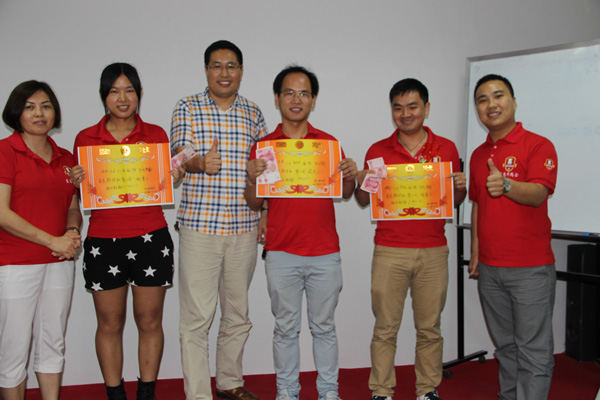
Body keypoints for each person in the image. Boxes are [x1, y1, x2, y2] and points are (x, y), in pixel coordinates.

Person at [70, 63, 184, 400]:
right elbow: (83, 196)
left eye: (129, 90)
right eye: (114, 91)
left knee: (149, 322)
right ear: (104, 96)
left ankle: (146, 392)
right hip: (103, 241)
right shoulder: (85, 139)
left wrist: (172, 177)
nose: (122, 98)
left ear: (139, 94)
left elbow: (163, 182)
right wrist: (77, 182)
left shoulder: (156, 135)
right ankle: (115, 394)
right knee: (109, 324)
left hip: (151, 237)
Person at [245, 65, 358, 400]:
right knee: (285, 329)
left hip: (324, 251)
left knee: (324, 328)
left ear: (313, 100)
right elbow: (254, 203)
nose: (296, 100)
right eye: (289, 93)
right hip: (281, 251)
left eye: (304, 93)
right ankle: (287, 392)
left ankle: (328, 392)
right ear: (277, 99)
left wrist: (350, 175)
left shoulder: (328, 144)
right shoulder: (264, 147)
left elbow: (346, 193)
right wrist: (251, 178)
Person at [354, 79, 467, 400]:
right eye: (398, 108)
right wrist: (362, 181)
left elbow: (454, 201)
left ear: (426, 108)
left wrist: (460, 186)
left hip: (433, 250)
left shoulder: (446, 149)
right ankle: (381, 390)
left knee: (430, 328)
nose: (405, 114)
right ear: (392, 110)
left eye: (413, 106)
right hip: (389, 250)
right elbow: (363, 200)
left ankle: (427, 389)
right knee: (385, 327)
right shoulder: (378, 151)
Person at [170, 40, 268, 400]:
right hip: (200, 227)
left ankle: (229, 382)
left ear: (240, 70)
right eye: (216, 65)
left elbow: (266, 169)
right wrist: (199, 162)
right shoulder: (187, 106)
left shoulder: (253, 112)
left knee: (237, 313)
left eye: (231, 66)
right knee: (197, 317)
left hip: (244, 227)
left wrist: (265, 212)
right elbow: (179, 155)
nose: (224, 73)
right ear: (206, 70)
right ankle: (198, 394)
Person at [468, 74, 557, 400]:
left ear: (514, 102)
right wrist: (475, 251)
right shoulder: (479, 155)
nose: (491, 104)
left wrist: (506, 184)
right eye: (482, 99)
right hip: (491, 269)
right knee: (506, 347)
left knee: (533, 350)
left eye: (498, 95)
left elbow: (538, 194)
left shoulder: (538, 145)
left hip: (530, 269)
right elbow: (478, 205)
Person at [0, 81, 82, 400]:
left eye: (46, 106)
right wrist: (52, 241)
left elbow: (72, 207)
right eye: (30, 106)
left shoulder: (65, 157)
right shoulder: (5, 151)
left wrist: (71, 232)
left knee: (53, 343)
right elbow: (2, 213)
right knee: (14, 348)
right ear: (16, 112)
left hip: (59, 263)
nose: (39, 113)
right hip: (16, 264)